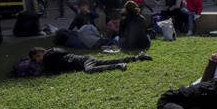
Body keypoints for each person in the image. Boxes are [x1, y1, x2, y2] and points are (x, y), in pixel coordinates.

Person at [10, 46, 152, 77]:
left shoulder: (49, 57)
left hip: (83, 61)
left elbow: (54, 71)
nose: (39, 61)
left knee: (90, 70)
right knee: (105, 60)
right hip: (85, 58)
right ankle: (137, 57)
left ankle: (119, 65)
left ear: (41, 53)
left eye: (38, 58)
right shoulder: (53, 52)